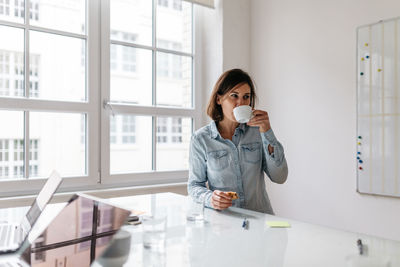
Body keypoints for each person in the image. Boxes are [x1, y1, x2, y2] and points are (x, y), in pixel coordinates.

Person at [187, 68, 288, 214]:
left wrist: (267, 131)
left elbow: (280, 177)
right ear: (219, 99)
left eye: (246, 97)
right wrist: (211, 198)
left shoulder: (258, 132)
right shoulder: (200, 139)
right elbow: (194, 185)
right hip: (226, 223)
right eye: (234, 96)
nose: (241, 103)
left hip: (260, 220)